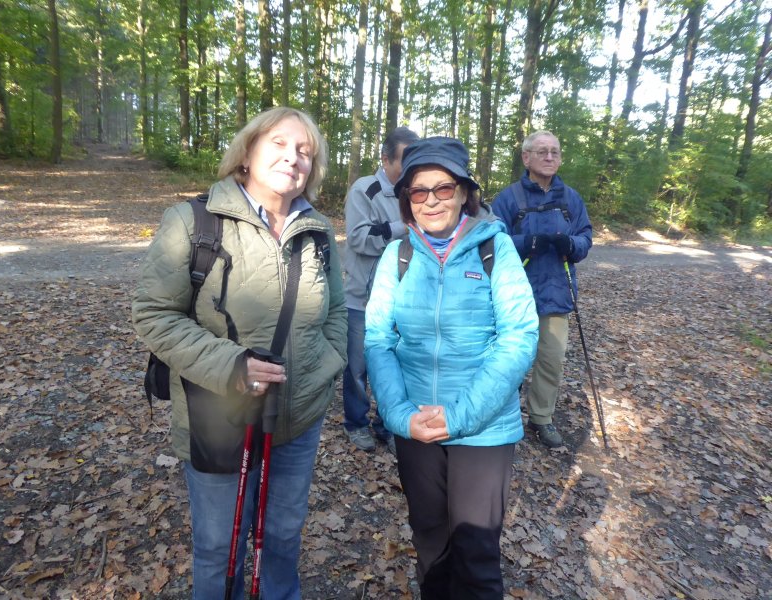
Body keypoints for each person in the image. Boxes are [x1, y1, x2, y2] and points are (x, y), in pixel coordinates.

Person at [132, 107, 347, 599]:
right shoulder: (193, 221)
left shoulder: (317, 230)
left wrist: (324, 367)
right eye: (279, 144)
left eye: (305, 152)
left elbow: (338, 310)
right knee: (216, 547)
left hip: (298, 416)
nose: (292, 157)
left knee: (282, 539)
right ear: (247, 151)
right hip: (218, 415)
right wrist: (231, 366)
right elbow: (153, 314)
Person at [364, 137, 538, 599]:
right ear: (406, 202)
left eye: (443, 188)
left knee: (477, 557)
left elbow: (519, 337)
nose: (432, 200)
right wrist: (401, 417)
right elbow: (379, 340)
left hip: (483, 429)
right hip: (416, 428)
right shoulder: (396, 257)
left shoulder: (495, 250)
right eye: (419, 192)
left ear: (464, 192)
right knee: (431, 549)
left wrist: (459, 417)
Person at [491, 130, 592, 449]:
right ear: (526, 157)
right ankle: (500, 416)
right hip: (513, 295)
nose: (550, 157)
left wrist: (571, 244)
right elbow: (490, 241)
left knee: (551, 360)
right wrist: (524, 244)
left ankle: (542, 418)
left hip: (556, 294)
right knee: (509, 359)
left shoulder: (571, 199)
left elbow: (586, 239)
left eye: (555, 152)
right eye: (542, 152)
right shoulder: (508, 199)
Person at [342, 126, 419, 453]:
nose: (411, 167)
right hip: (364, 296)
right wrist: (406, 229)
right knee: (358, 367)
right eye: (405, 160)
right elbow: (359, 238)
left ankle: (387, 424)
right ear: (386, 159)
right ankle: (356, 423)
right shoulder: (365, 190)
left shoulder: (416, 190)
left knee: (397, 364)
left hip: (405, 297)